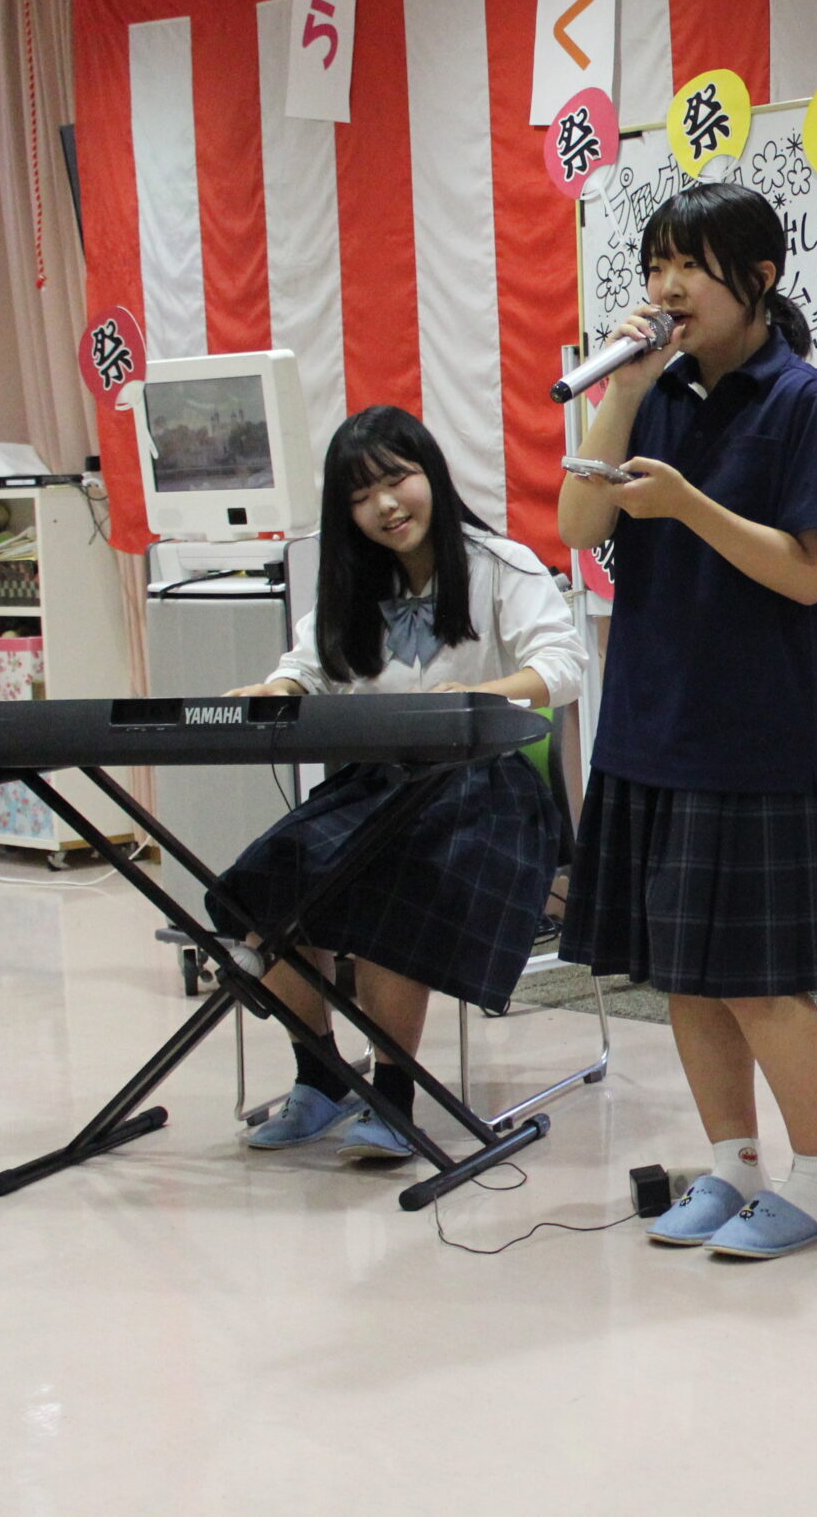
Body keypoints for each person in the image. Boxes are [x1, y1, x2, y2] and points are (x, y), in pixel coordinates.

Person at [556, 180, 817, 1262]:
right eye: (655, 265)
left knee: (760, 981)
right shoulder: (658, 389)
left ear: (763, 276)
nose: (667, 286)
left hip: (751, 731)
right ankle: (732, 1167)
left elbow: (807, 575)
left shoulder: (803, 403)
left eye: (689, 265)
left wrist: (688, 502)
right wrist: (626, 388)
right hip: (650, 720)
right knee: (681, 972)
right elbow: (579, 521)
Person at [221, 405, 586, 1163]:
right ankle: (320, 1076)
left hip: (490, 790)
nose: (386, 505)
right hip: (380, 783)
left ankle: (394, 1090)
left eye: (398, 479)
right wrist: (279, 685)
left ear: (432, 476)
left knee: (393, 880)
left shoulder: (499, 564)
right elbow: (310, 665)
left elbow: (563, 665)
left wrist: (468, 701)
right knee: (262, 882)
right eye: (362, 494)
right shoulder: (353, 583)